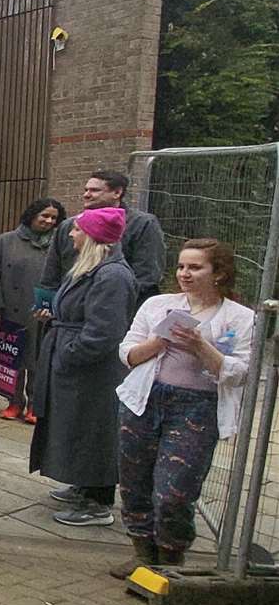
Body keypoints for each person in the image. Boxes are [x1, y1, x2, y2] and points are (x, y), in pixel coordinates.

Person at [109, 239, 254, 577]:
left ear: (218, 273)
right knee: (134, 480)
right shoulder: (159, 305)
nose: (185, 274)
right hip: (145, 400)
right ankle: (143, 552)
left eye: (195, 267)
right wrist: (158, 342)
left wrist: (201, 346)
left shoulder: (240, 318)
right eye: (181, 267)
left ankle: (171, 557)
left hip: (197, 407)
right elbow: (127, 351)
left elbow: (241, 372)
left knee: (175, 489)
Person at [29, 206, 138, 527]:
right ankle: (85, 485)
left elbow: (104, 331)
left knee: (93, 430)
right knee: (77, 427)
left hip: (92, 373)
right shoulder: (92, 269)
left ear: (93, 237)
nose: (71, 235)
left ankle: (98, 502)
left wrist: (70, 353)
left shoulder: (112, 276)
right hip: (75, 364)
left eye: (77, 230)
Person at [0, 198, 65, 421]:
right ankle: (14, 402)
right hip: (11, 309)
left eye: (53, 218)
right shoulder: (5, 241)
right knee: (12, 358)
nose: (48, 221)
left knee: (39, 359)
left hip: (44, 312)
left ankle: (35, 405)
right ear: (32, 215)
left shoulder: (59, 244)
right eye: (44, 216)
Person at [39, 170, 166, 305]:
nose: (86, 195)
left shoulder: (142, 224)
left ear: (117, 193)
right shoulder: (67, 227)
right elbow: (51, 272)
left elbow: (147, 275)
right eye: (86, 190)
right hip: (68, 314)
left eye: (94, 190)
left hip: (116, 310)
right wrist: (46, 304)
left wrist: (106, 303)